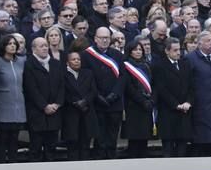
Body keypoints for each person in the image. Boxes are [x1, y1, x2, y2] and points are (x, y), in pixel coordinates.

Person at [81, 26, 124, 160]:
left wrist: (114, 94)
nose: (105, 40)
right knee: (99, 137)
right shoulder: (86, 55)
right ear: (95, 39)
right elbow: (87, 79)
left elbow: (123, 78)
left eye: (107, 38)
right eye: (102, 38)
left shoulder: (117, 55)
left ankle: (111, 158)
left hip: (114, 102)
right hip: (97, 102)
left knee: (112, 135)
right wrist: (97, 95)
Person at [23, 37, 65, 161]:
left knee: (51, 147)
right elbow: (31, 88)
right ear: (33, 49)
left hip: (54, 112)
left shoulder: (56, 64)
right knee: (35, 147)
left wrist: (57, 104)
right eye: (41, 46)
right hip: (37, 113)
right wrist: (44, 106)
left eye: (46, 45)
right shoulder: (29, 64)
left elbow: (62, 86)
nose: (45, 48)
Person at [152, 37, 194, 158]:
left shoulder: (185, 64)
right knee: (168, 148)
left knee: (182, 146)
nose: (178, 53)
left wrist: (188, 102)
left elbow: (191, 86)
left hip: (184, 112)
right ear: (167, 51)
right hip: (168, 112)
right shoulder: (159, 66)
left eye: (179, 50)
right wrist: (176, 105)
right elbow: (161, 89)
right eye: (175, 50)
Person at [186, 30, 211, 156]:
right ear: (199, 44)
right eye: (208, 41)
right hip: (200, 104)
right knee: (201, 139)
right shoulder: (191, 58)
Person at [0, 35, 27, 163]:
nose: (13, 45)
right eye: (9, 44)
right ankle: (1, 165)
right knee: (2, 139)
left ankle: (14, 166)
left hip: (19, 104)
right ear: (3, 46)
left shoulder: (21, 61)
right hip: (3, 104)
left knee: (15, 139)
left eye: (14, 43)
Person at [62, 51, 98, 161]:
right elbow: (62, 91)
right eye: (73, 59)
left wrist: (85, 101)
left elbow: (93, 91)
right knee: (72, 143)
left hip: (86, 111)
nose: (77, 61)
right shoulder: (63, 74)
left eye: (78, 59)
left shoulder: (88, 73)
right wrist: (75, 102)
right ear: (67, 63)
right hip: (71, 112)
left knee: (85, 143)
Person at [122, 41, 154, 158]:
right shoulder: (126, 66)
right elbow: (129, 88)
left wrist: (151, 100)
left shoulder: (146, 65)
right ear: (130, 52)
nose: (138, 52)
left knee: (144, 138)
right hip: (133, 106)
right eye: (135, 50)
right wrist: (141, 100)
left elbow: (153, 84)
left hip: (147, 106)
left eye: (140, 49)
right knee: (134, 139)